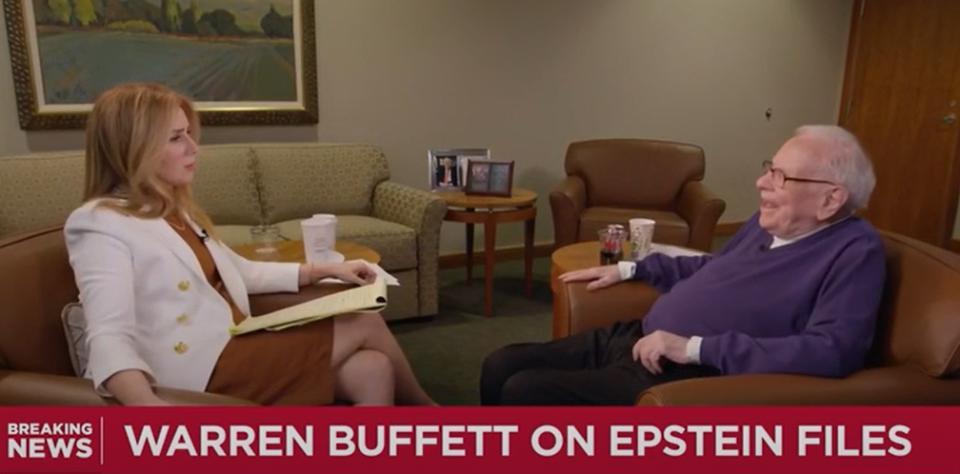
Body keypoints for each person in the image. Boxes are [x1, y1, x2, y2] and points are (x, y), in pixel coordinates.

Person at [65, 83, 435, 406]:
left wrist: (325, 269)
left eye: (189, 134)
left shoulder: (172, 210)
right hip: (197, 370)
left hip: (233, 341)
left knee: (373, 368)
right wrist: (146, 406)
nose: (194, 148)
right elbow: (108, 334)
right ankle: (428, 412)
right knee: (364, 321)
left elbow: (241, 272)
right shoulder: (98, 222)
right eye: (176, 138)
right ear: (133, 149)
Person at [481, 125, 886, 405]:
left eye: (781, 177)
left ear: (831, 199)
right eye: (769, 169)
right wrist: (631, 269)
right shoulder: (767, 224)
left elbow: (832, 351)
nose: (761, 183)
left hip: (683, 371)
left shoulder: (854, 251)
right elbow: (714, 267)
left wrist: (692, 348)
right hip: (640, 337)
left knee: (525, 391)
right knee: (501, 363)